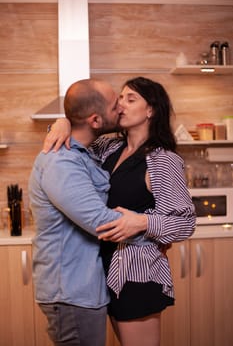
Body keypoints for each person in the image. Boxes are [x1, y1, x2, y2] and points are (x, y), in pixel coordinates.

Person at [42, 76, 196, 346]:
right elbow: (79, 133)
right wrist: (62, 122)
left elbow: (185, 222)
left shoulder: (163, 160)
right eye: (120, 98)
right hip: (101, 273)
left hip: (136, 275)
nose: (121, 104)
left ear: (151, 110)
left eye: (131, 98)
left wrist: (143, 222)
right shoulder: (108, 147)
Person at [28, 78, 140, 346]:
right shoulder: (62, 161)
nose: (122, 108)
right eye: (116, 105)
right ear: (95, 120)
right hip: (71, 293)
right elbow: (100, 222)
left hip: (81, 290)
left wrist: (62, 121)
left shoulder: (82, 153)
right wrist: (150, 227)